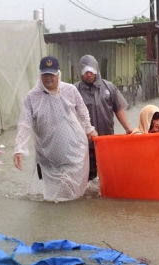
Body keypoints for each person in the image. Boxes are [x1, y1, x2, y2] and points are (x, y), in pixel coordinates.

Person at [13, 56, 98, 202]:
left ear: (58, 74)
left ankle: (71, 219)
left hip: (74, 152)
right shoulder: (32, 97)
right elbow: (24, 124)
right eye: (45, 74)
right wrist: (19, 148)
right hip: (48, 155)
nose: (48, 78)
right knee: (52, 198)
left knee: (74, 195)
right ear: (40, 75)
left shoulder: (70, 90)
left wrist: (89, 129)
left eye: (51, 74)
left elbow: (82, 111)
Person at [74, 54, 133, 181]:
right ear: (80, 72)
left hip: (107, 141)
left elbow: (118, 109)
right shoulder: (74, 90)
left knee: (109, 175)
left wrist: (128, 128)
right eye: (85, 72)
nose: (88, 74)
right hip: (85, 145)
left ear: (96, 70)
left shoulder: (109, 88)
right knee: (87, 179)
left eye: (91, 71)